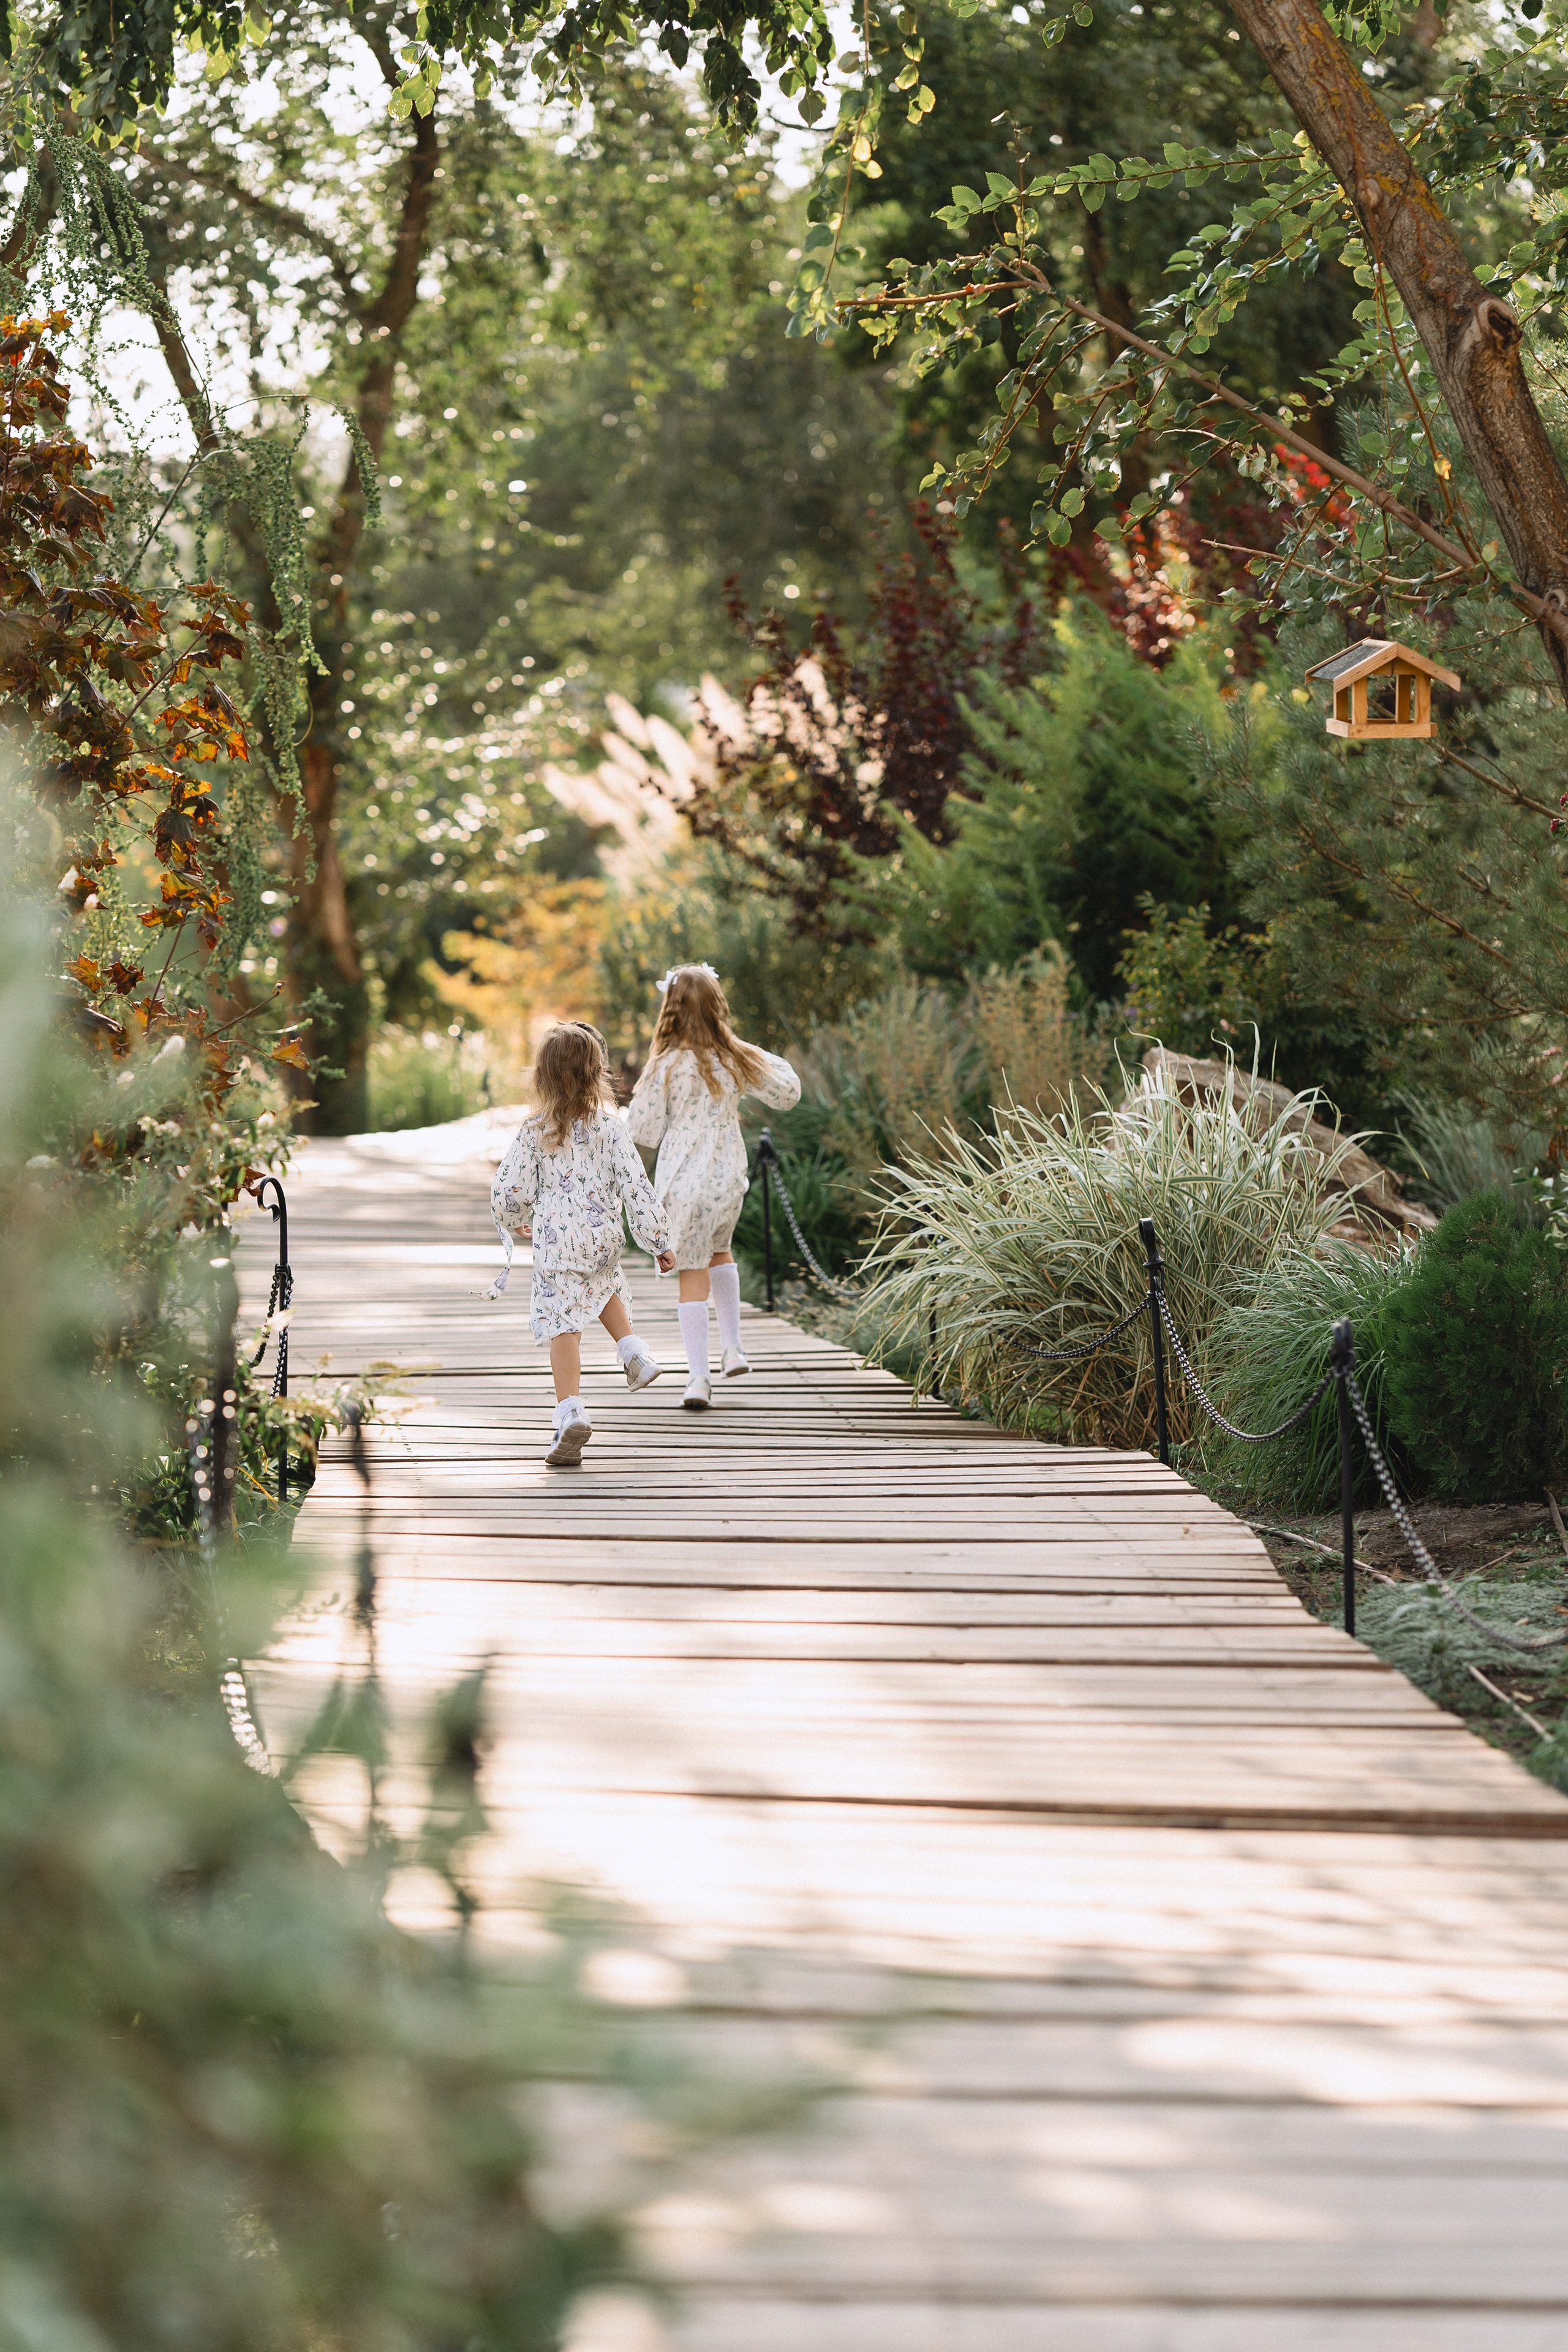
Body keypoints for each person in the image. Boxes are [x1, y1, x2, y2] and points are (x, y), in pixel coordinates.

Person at [488, 1022, 674, 1466]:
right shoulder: (612, 1130)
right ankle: (631, 1349)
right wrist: (658, 1240)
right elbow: (637, 1186)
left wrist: (515, 1220)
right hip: (602, 1235)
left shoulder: (535, 1130)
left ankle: (569, 1410)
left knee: (562, 1323)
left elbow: (507, 1190)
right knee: (603, 1282)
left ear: (542, 1077)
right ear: (597, 1074)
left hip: (555, 1241)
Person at [627, 963, 800, 1408]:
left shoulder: (665, 1064)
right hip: (726, 1176)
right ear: (718, 1006)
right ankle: (734, 1346)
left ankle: (699, 1378)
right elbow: (787, 1093)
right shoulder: (736, 1056)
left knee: (691, 1270)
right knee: (719, 1250)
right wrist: (746, 1047)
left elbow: (643, 1131)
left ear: (671, 1008)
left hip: (683, 1178)